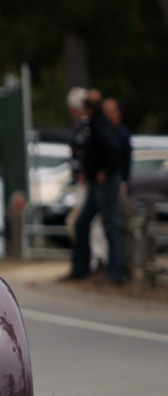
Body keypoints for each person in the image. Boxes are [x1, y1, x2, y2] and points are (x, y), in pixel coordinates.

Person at [65, 90, 125, 284]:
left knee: (110, 225)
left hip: (104, 184)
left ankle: (116, 272)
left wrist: (105, 171)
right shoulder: (93, 124)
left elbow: (114, 149)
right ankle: (82, 268)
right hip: (94, 184)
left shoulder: (100, 125)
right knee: (82, 224)